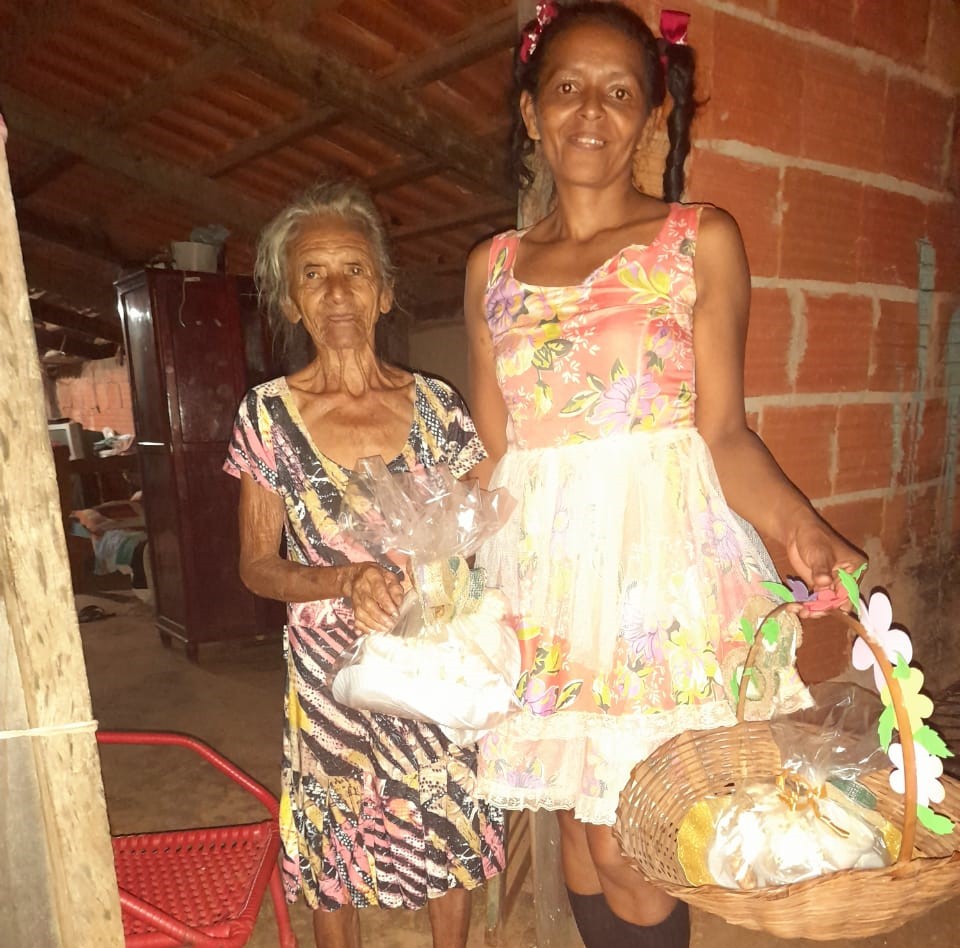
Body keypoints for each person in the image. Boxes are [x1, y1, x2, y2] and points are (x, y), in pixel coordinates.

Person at [463, 4, 866, 947]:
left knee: (632, 839)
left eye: (619, 92)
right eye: (567, 88)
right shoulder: (492, 269)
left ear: (651, 116)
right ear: (530, 111)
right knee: (575, 827)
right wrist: (432, 561)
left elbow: (723, 433)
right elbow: (496, 455)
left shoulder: (697, 240)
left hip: (655, 589)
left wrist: (798, 528)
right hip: (545, 587)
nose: (590, 111)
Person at [225, 180, 504, 948]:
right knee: (332, 848)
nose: (337, 292)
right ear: (291, 302)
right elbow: (256, 564)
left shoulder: (439, 408)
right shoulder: (266, 416)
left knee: (446, 816)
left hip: (430, 660)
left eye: (354, 270)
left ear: (384, 292)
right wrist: (345, 581)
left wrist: (444, 584)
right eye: (313, 275)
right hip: (326, 678)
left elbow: (472, 534)